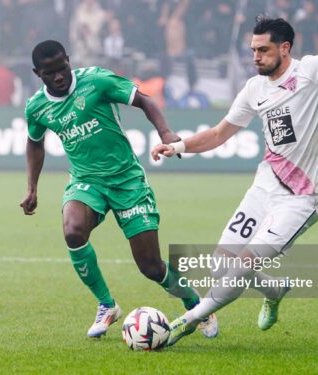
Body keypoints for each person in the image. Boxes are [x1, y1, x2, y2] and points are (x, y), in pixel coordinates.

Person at [151, 0, 318, 346]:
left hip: (300, 199)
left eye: (263, 50)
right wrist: (177, 146)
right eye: (253, 50)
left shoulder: (313, 71)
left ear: (285, 48)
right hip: (263, 188)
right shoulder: (254, 89)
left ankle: (188, 320)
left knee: (244, 261)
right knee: (222, 265)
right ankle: (275, 289)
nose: (256, 57)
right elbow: (220, 134)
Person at [20, 40, 217, 338]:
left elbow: (146, 101)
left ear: (68, 60)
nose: (59, 76)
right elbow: (35, 142)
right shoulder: (37, 106)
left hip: (127, 181)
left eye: (62, 68)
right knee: (72, 231)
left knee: (151, 267)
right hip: (87, 182)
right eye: (50, 73)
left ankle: (196, 305)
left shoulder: (97, 80)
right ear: (38, 73)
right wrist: (32, 188)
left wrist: (165, 132)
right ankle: (106, 305)